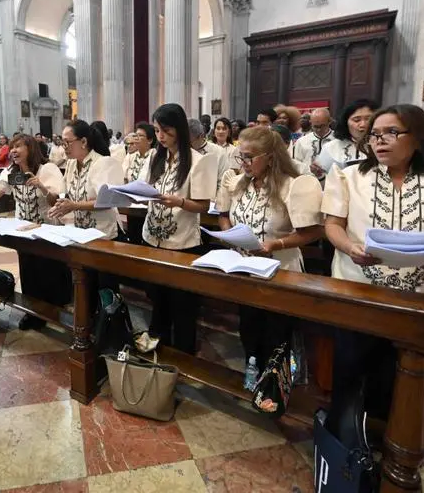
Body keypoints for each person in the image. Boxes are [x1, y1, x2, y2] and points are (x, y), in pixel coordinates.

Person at [322, 103, 424, 455]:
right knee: (352, 371)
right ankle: (345, 448)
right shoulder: (349, 176)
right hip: (358, 291)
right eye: (375, 134)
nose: (380, 140)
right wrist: (351, 247)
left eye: (391, 133)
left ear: (417, 137)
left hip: (422, 299)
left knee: (409, 377)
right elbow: (332, 225)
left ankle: (403, 453)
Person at [216, 127, 323, 370]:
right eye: (240, 156)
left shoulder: (293, 185)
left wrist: (276, 243)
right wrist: (227, 233)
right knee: (249, 330)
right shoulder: (240, 183)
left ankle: (274, 391)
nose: (243, 162)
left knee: (277, 336)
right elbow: (224, 215)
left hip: (281, 271)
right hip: (245, 269)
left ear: (271, 157)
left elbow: (313, 230)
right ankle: (253, 379)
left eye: (249, 157)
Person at [138, 103, 219, 354]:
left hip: (182, 242)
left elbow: (204, 205)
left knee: (182, 303)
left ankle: (183, 353)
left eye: (166, 131)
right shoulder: (154, 157)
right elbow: (142, 186)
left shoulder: (198, 161)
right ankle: (158, 343)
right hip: (152, 236)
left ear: (180, 130)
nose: (160, 137)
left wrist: (179, 201)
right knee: (158, 297)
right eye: (157, 130)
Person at [0, 134, 67, 330]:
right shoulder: (12, 172)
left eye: (18, 146)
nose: (13, 150)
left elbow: (57, 201)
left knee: (49, 273)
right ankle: (33, 313)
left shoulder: (48, 169)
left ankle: (55, 311)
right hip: (24, 231)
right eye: (12, 147)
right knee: (29, 272)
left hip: (47, 230)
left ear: (31, 148)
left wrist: (41, 186)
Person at [47, 120, 123, 239]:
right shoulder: (71, 164)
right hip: (80, 232)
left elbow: (107, 202)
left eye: (68, 142)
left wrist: (74, 205)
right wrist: (60, 206)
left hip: (102, 233)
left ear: (83, 142)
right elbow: (64, 193)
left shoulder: (103, 163)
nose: (64, 147)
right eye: (63, 142)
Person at [313, 99, 379, 179]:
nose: (363, 124)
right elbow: (326, 185)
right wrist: (320, 176)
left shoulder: (383, 145)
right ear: (345, 122)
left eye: (368, 119)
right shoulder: (331, 148)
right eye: (357, 120)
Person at [292, 108, 334, 182]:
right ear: (310, 122)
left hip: (332, 182)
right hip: (308, 181)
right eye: (315, 126)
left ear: (329, 121)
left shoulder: (338, 140)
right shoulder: (302, 141)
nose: (318, 130)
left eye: (322, 126)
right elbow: (296, 164)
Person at [189, 118, 229, 190]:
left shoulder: (218, 152)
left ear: (201, 136)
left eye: (189, 142)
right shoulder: (181, 151)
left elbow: (223, 183)